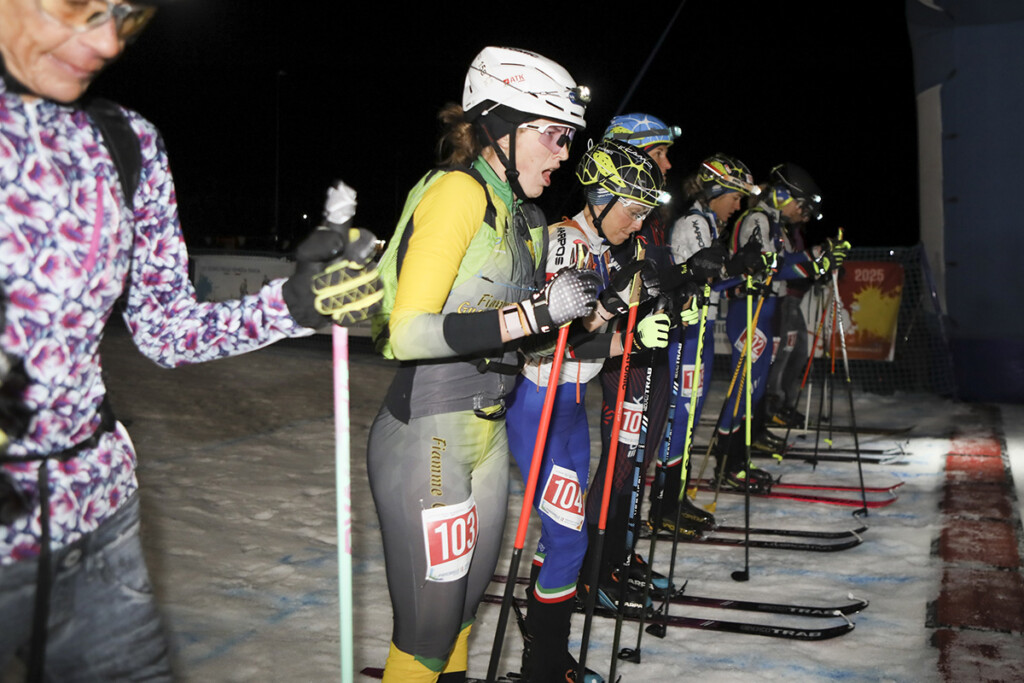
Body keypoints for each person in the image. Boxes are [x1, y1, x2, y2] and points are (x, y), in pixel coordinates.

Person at [0, 1, 380, 680]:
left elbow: (166, 326)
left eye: (127, 17)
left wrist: (296, 302)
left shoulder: (124, 141)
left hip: (97, 520)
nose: (108, 42)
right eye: (78, 9)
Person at [365, 46, 598, 683]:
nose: (563, 154)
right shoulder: (456, 193)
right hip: (428, 432)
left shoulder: (526, 216)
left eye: (568, 139)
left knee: (464, 613)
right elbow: (408, 331)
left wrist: (586, 313)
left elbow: (527, 333)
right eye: (553, 135)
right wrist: (531, 317)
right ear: (501, 124)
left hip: (487, 429)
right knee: (428, 630)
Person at [505, 137, 666, 682]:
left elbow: (592, 331)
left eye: (646, 212)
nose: (638, 223)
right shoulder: (563, 243)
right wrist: (625, 336)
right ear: (599, 196)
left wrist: (635, 326)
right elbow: (545, 341)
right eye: (633, 208)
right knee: (571, 538)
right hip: (543, 407)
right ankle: (544, 667)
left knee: (565, 540)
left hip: (569, 410)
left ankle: (545, 658)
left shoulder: (598, 249)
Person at [715, 162, 849, 491]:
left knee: (756, 389)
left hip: (766, 309)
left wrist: (820, 256)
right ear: (783, 194)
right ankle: (727, 464)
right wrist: (816, 266)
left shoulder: (773, 222)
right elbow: (765, 267)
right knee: (744, 389)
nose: (799, 212)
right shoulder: (757, 219)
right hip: (749, 309)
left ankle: (739, 458)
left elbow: (783, 262)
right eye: (800, 205)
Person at [659, 154, 765, 507]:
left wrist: (741, 266)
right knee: (682, 412)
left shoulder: (707, 222)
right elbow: (703, 275)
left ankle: (676, 495)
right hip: (685, 329)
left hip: (699, 327)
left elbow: (713, 276)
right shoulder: (694, 223)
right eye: (735, 197)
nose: (738, 206)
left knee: (692, 413)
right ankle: (666, 502)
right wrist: (735, 265)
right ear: (716, 190)